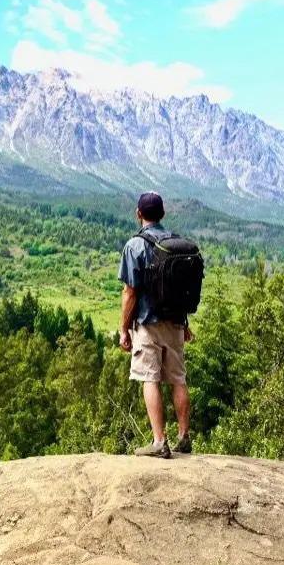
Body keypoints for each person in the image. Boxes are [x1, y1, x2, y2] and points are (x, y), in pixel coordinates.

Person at [119, 192, 195, 459]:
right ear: (162, 214)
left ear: (139, 214)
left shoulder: (135, 246)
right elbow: (182, 290)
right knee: (178, 380)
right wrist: (184, 323)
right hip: (175, 322)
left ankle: (159, 442)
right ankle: (184, 437)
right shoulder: (176, 244)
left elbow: (130, 292)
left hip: (147, 323)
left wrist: (124, 329)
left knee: (149, 379)